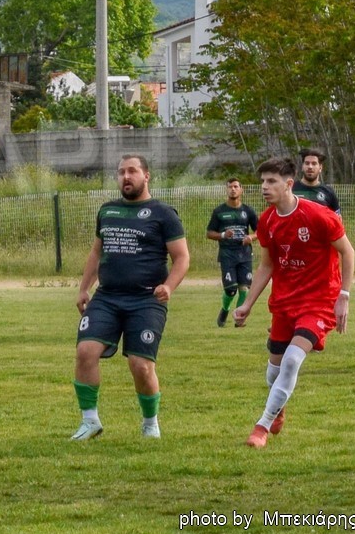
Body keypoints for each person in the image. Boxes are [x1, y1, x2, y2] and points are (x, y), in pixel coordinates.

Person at [234, 157, 355, 449]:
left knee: (291, 360)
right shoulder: (267, 221)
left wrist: (344, 296)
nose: (265, 186)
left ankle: (261, 427)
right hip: (285, 303)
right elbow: (267, 265)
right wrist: (248, 303)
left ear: (289, 184)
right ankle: (278, 408)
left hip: (319, 302)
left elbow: (348, 252)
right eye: (262, 181)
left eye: (272, 181)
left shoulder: (319, 215)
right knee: (273, 371)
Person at [71, 154, 190, 440]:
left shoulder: (163, 213)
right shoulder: (108, 211)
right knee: (85, 352)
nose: (126, 177)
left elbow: (182, 257)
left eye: (133, 171)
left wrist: (169, 287)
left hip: (146, 300)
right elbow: (97, 252)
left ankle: (150, 422)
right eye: (121, 172)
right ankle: (90, 421)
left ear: (146, 176)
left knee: (141, 365)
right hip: (107, 297)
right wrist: (84, 287)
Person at [206, 178, 259, 327]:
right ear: (226, 190)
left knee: (244, 289)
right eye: (230, 187)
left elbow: (260, 232)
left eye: (236, 186)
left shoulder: (248, 211)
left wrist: (251, 237)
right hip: (227, 254)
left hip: (245, 254)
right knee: (230, 290)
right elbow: (209, 233)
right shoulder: (219, 211)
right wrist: (223, 235)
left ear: (241, 190)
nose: (233, 189)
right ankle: (225, 310)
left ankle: (239, 319)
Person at [292, 147, 342, 215]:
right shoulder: (291, 189)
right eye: (307, 163)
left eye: (314, 163)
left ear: (320, 168)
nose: (310, 167)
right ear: (302, 167)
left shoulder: (328, 192)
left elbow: (337, 220)